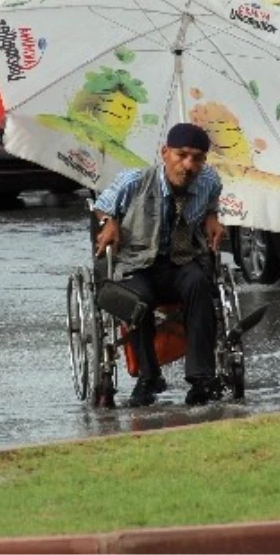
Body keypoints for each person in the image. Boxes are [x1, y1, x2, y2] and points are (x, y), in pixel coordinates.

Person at [92, 122, 226, 407]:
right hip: (139, 263)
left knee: (200, 285)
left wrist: (212, 216)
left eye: (197, 158)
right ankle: (149, 376)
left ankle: (201, 377)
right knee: (137, 300)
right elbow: (102, 204)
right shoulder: (134, 181)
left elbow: (212, 200)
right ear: (165, 153)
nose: (188, 165)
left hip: (181, 260)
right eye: (181, 155)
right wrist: (110, 221)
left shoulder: (209, 180)